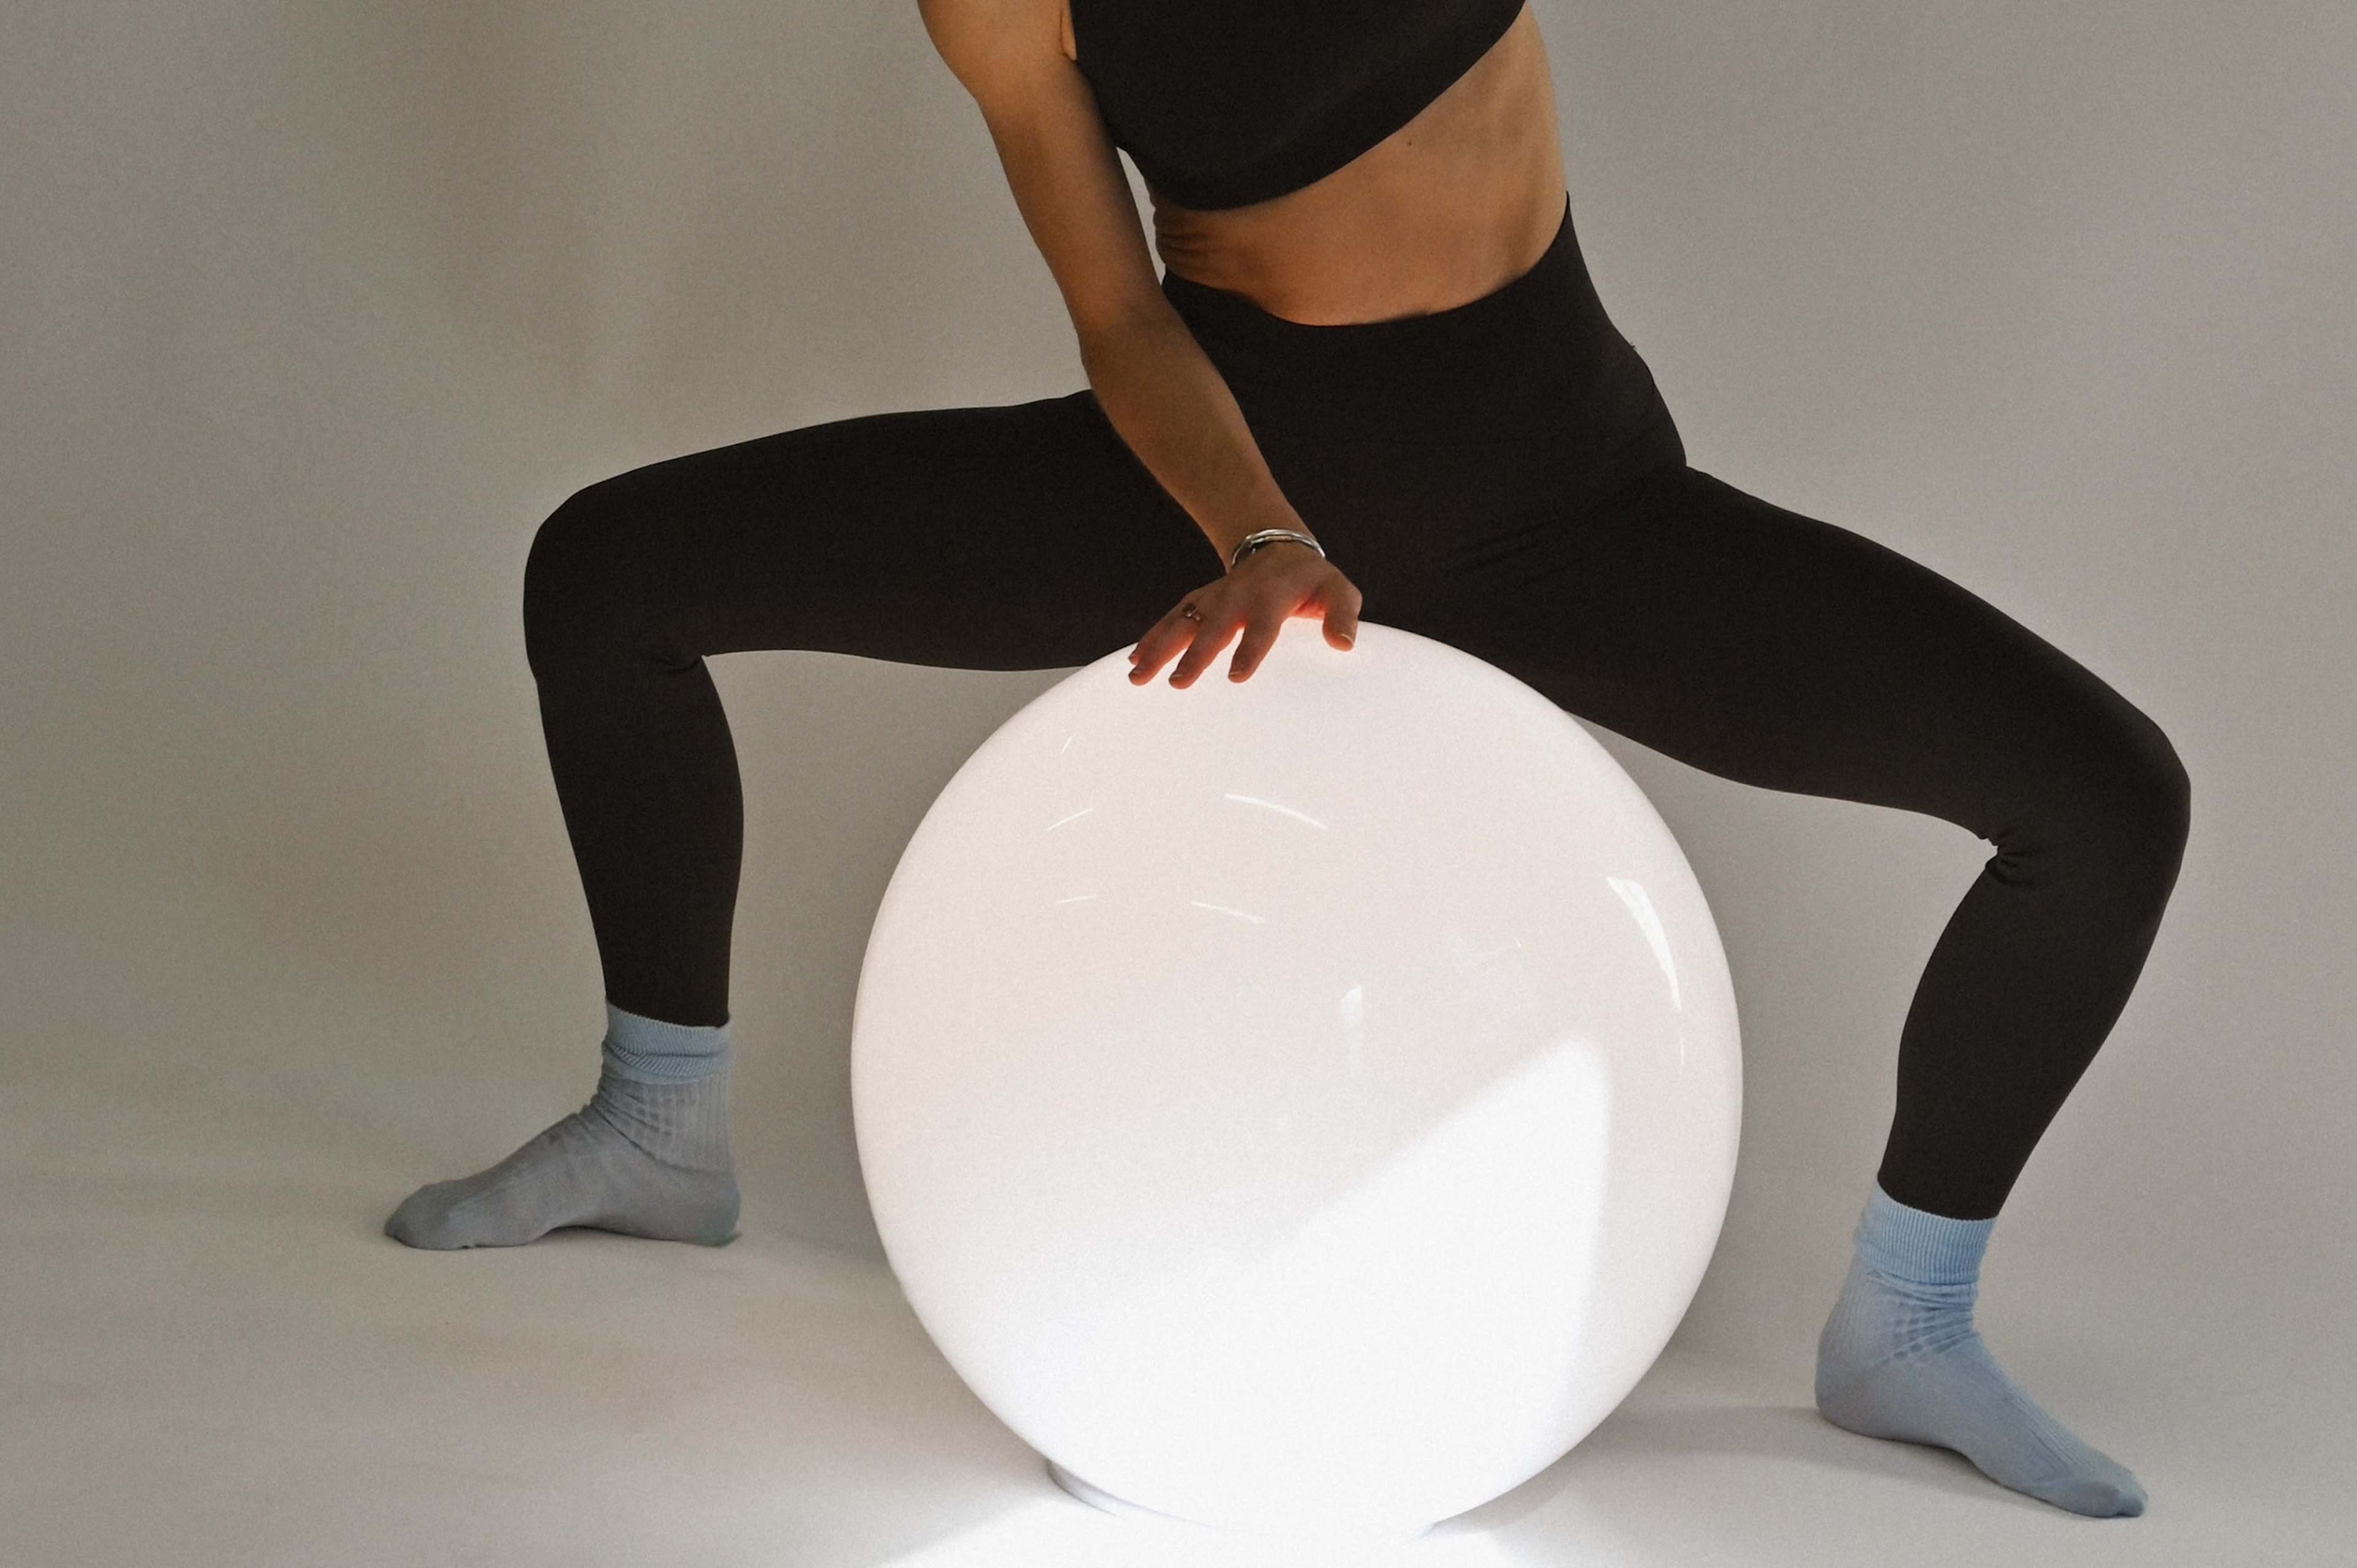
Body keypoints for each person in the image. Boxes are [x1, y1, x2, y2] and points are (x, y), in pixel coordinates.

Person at [384, 0, 2183, 1521]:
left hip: (1576, 495)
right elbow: (1122, 318)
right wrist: (1256, 531)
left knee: (2104, 798)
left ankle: (1910, 1325)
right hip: (1228, 479)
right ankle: (658, 1124)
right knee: (607, 572)